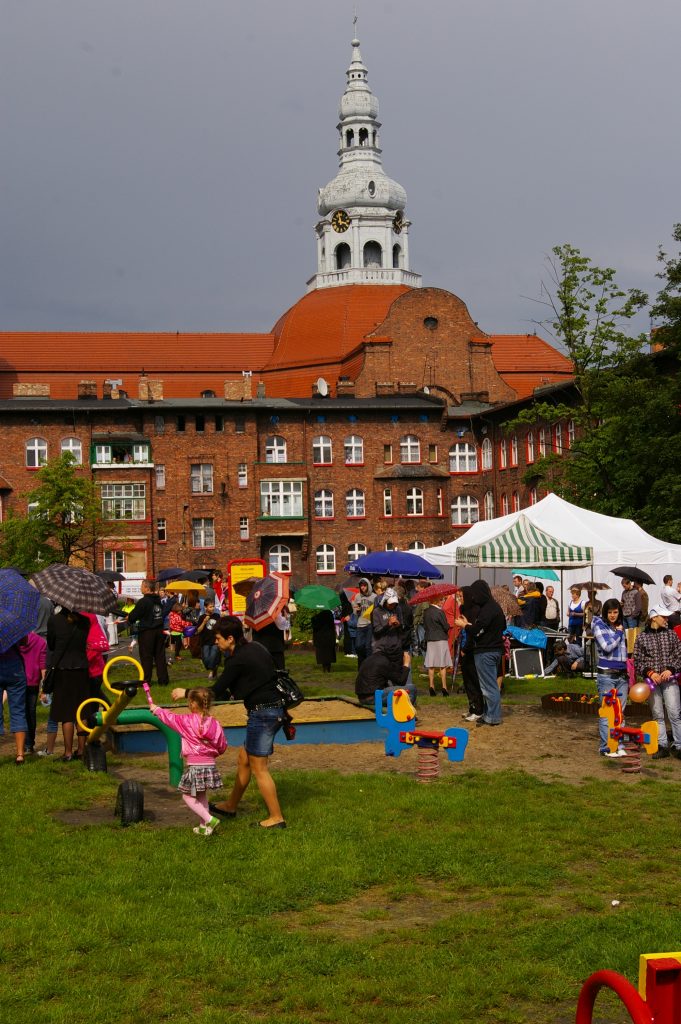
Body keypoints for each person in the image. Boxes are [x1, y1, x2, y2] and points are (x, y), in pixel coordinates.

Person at [175, 616, 286, 829]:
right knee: (244, 759)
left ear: (230, 638)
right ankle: (231, 805)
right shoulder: (255, 647)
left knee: (259, 767)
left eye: (218, 638)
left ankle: (276, 818)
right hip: (272, 711)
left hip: (263, 714)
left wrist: (187, 693)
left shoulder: (238, 659)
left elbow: (216, 691)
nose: (216, 642)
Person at [150, 687, 227, 835]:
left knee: (187, 796)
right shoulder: (214, 723)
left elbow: (171, 718)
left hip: (196, 765)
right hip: (210, 765)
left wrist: (157, 710)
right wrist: (215, 754)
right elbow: (222, 744)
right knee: (202, 796)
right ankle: (204, 827)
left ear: (192, 703)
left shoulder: (186, 721)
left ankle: (210, 819)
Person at [633, 604, 681, 760]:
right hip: (652, 682)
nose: (666, 619)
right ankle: (662, 745)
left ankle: (679, 745)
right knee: (658, 714)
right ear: (654, 617)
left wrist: (671, 669)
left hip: (670, 680)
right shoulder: (641, 637)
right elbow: (638, 660)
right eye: (664, 616)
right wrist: (650, 672)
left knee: (674, 713)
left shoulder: (671, 635)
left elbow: (678, 655)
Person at [455, 580, 506, 727]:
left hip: (486, 651)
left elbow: (477, 631)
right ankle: (489, 714)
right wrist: (470, 625)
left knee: (488, 687)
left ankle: (493, 717)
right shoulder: (495, 608)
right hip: (494, 649)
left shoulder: (488, 609)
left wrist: (465, 625)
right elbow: (499, 627)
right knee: (488, 686)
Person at [46, 608, 91, 761]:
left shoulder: (54, 620)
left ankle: (67, 752)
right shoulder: (85, 621)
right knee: (82, 710)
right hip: (82, 667)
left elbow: (51, 644)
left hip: (63, 668)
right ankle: (81, 749)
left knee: (66, 713)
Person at [591, 598, 629, 758]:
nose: (613, 615)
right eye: (610, 612)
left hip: (622, 675)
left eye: (615, 612)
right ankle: (606, 747)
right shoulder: (599, 625)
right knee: (607, 713)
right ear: (605, 613)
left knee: (619, 713)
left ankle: (618, 744)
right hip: (607, 675)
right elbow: (606, 647)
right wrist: (619, 633)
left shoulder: (620, 626)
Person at [127, 579, 169, 686]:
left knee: (146, 657)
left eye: (142, 586)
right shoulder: (158, 600)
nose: (140, 588)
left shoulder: (144, 601)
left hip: (147, 632)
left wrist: (130, 617)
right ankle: (163, 680)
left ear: (146, 588)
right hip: (159, 630)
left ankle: (146, 681)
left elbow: (133, 616)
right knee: (160, 656)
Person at [457, 586, 485, 722]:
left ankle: (479, 709)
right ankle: (472, 707)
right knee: (467, 681)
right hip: (463, 647)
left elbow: (471, 633)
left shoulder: (475, 611)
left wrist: (465, 649)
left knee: (474, 681)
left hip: (472, 650)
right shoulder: (463, 609)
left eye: (461, 596)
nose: (459, 599)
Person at [18, 631, 47, 754]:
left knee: (19, 713)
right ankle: (29, 744)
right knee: (31, 713)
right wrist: (44, 689)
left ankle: (21, 744)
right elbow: (43, 667)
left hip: (17, 680)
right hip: (33, 682)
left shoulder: (14, 640)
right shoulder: (40, 642)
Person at [0, 642, 29, 763]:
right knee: (18, 711)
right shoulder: (14, 623)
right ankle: (20, 754)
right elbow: (25, 642)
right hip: (15, 667)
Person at [422, 596, 452, 697]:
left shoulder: (426, 612)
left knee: (431, 664)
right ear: (435, 600)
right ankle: (444, 687)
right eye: (441, 600)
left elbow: (425, 626)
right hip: (441, 639)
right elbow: (445, 626)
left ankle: (431, 686)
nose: (442, 601)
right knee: (442, 665)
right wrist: (449, 625)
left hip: (430, 639)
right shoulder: (440, 612)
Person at [197, 599, 221, 679]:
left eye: (213, 606)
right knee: (206, 660)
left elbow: (220, 628)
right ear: (205, 607)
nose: (213, 608)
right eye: (210, 607)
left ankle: (212, 671)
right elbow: (198, 630)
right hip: (205, 641)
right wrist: (204, 622)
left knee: (213, 657)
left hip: (215, 641)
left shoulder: (217, 616)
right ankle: (214, 669)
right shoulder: (201, 617)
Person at [353, 578, 375, 665]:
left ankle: (368, 666)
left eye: (364, 585)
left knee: (367, 647)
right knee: (358, 646)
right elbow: (355, 612)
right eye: (361, 586)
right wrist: (356, 610)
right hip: (360, 624)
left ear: (368, 586)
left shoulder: (374, 596)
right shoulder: (357, 596)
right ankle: (361, 664)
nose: (363, 587)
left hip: (369, 624)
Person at [311, 608, 336, 673]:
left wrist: (313, 617)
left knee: (322, 654)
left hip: (320, 638)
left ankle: (324, 668)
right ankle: (328, 668)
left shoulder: (319, 616)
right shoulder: (330, 614)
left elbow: (315, 625)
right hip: (329, 637)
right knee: (329, 653)